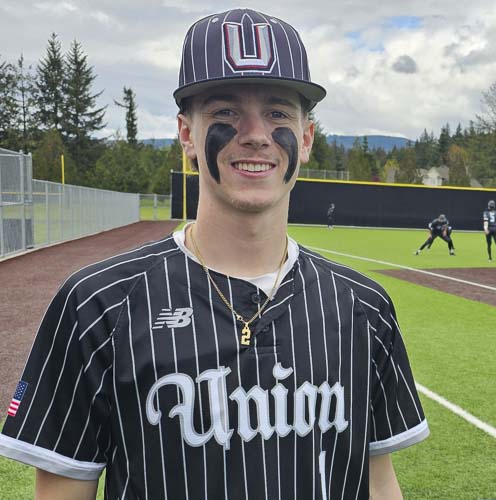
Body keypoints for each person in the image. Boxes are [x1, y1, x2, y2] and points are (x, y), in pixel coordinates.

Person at [0, 9, 428, 500]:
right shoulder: (97, 304)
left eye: (278, 113)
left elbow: (376, 480)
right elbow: (62, 490)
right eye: (224, 112)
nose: (255, 134)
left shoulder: (363, 306)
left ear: (306, 138)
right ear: (187, 135)